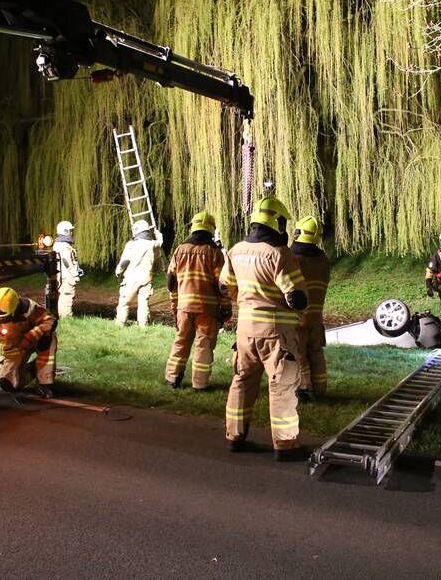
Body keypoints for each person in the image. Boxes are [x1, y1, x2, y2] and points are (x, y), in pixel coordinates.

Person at [221, 196, 309, 460]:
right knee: (281, 384)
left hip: (245, 330)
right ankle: (285, 445)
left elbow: (225, 288)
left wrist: (247, 301)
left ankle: (234, 436)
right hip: (276, 332)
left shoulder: (235, 250)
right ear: (278, 222)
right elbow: (296, 297)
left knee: (242, 381)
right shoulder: (279, 254)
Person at [164, 211, 230, 391]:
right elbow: (222, 284)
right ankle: (199, 384)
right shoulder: (214, 253)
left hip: (184, 307)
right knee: (204, 344)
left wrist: (175, 305)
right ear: (211, 229)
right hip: (207, 309)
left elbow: (171, 281)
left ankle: (172, 378)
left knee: (181, 340)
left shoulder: (180, 249)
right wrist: (226, 307)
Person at [0, 286, 58, 398]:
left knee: (47, 341)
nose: (0, 321)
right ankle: (33, 370)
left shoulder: (29, 308)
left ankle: (45, 383)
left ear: (14, 310)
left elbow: (50, 320)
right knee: (9, 384)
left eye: (4, 317)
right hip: (14, 347)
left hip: (35, 339)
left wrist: (30, 337)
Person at [291, 215, 331, 402]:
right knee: (316, 352)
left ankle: (304, 389)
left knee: (299, 353)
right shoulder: (323, 260)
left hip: (297, 317)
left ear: (298, 233)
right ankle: (321, 390)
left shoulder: (293, 258)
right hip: (316, 316)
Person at [114, 219, 164, 327]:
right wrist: (158, 234)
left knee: (124, 302)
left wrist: (118, 271)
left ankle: (120, 324)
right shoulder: (151, 244)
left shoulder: (131, 244)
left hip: (132, 278)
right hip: (146, 278)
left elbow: (125, 261)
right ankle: (143, 325)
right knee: (143, 303)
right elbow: (160, 242)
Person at [53, 220, 82, 318]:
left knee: (63, 295)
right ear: (65, 231)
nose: (71, 232)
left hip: (62, 274)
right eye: (70, 230)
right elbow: (66, 260)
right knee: (68, 295)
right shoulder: (64, 246)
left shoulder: (59, 244)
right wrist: (74, 273)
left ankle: (62, 315)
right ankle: (66, 316)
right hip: (67, 275)